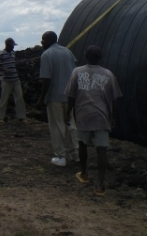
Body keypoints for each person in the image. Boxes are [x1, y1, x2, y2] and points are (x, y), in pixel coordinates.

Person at [65, 45, 122, 197]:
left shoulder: (77, 72)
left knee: (82, 144)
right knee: (101, 149)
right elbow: (115, 98)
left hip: (83, 115)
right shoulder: (108, 75)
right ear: (100, 58)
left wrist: (67, 113)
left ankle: (84, 174)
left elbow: (71, 95)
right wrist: (112, 117)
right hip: (102, 116)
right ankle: (99, 186)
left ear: (86, 56)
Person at [36, 31, 79, 167]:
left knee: (57, 126)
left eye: (43, 40)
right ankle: (76, 154)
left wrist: (42, 98)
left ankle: (60, 156)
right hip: (70, 96)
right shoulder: (68, 52)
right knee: (70, 125)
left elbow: (46, 79)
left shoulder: (47, 55)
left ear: (50, 40)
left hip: (55, 96)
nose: (41, 42)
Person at [0, 37, 28, 124]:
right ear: (7, 45)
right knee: (4, 98)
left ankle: (21, 117)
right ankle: (0, 118)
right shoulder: (1, 54)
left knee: (19, 98)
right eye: (12, 45)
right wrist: (4, 69)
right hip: (6, 80)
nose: (13, 47)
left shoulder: (13, 53)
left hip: (15, 79)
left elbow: (14, 63)